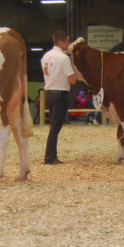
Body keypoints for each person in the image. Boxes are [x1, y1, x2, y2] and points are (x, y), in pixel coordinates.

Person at [41, 30, 75, 164]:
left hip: (49, 92)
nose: (68, 43)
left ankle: (51, 155)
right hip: (60, 94)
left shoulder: (45, 56)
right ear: (61, 42)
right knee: (55, 127)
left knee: (54, 126)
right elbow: (72, 80)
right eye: (67, 41)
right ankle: (50, 157)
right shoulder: (64, 59)